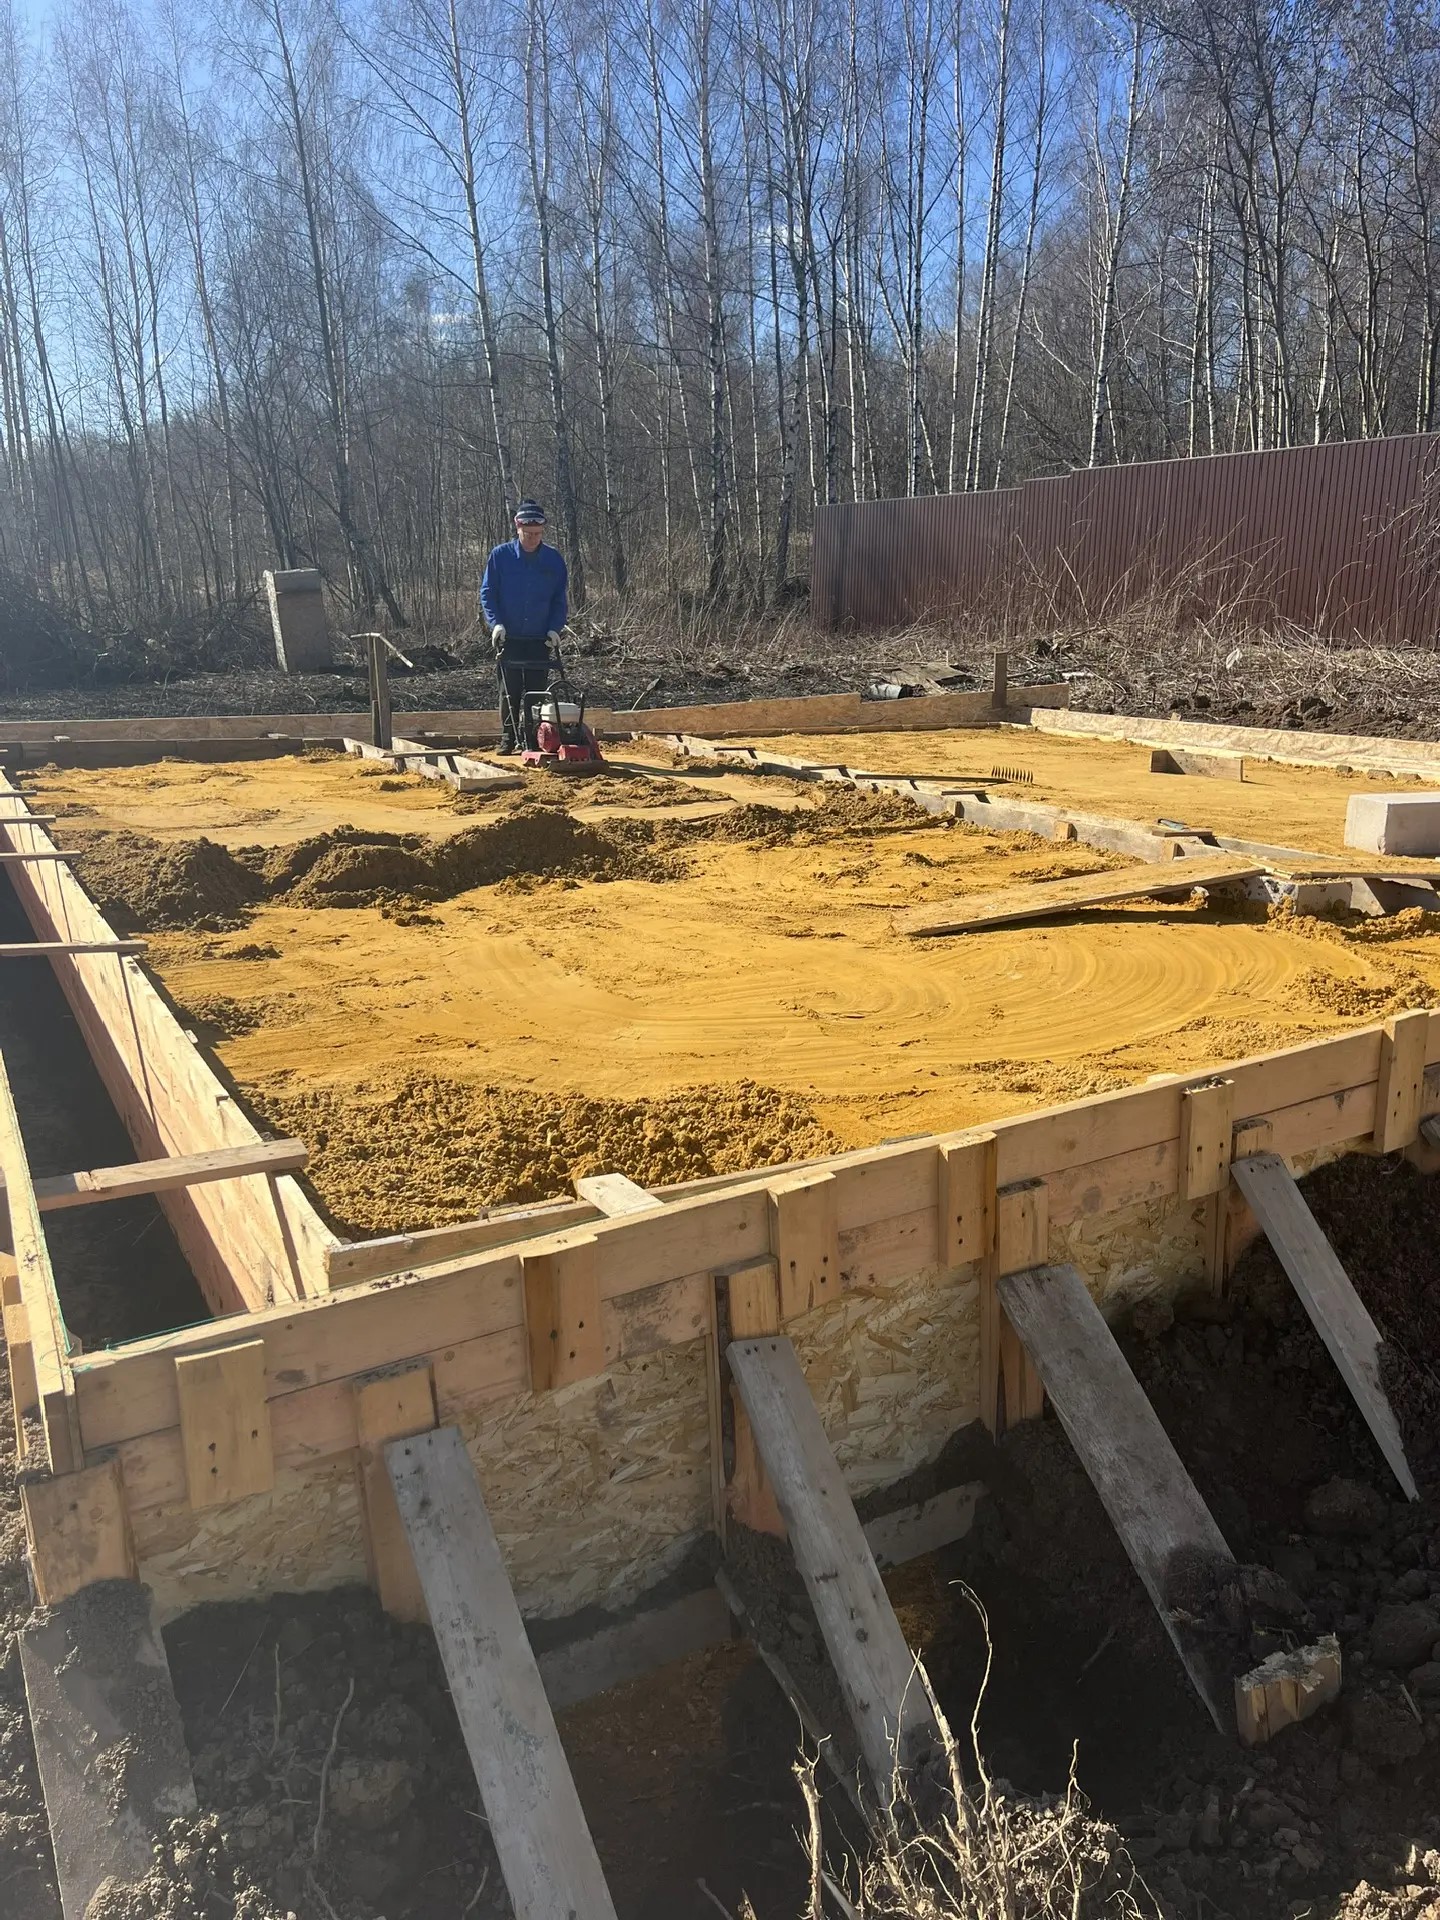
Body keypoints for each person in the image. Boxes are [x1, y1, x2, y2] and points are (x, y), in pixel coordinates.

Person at [480, 499, 569, 752]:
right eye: (528, 534)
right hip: (509, 637)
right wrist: (496, 624)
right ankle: (508, 738)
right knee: (509, 691)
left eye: (537, 534)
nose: (532, 539)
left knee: (537, 691)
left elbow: (559, 599)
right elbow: (488, 593)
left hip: (539, 637)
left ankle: (532, 738)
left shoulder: (553, 560)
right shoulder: (501, 556)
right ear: (517, 528)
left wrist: (554, 628)